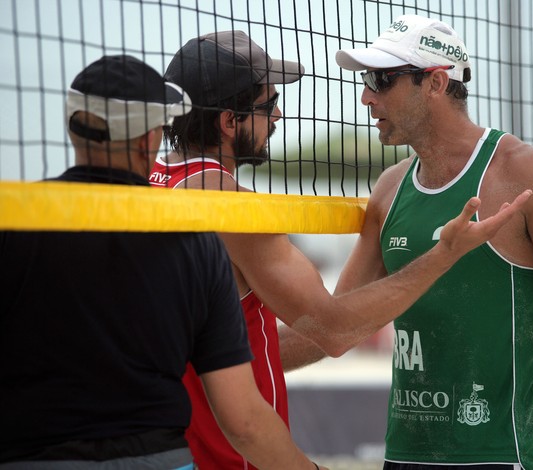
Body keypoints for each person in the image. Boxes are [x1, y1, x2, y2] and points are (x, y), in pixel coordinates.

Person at [150, 30, 533, 469]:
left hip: (166, 449)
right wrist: (442, 256)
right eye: (266, 104)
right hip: (225, 456)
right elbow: (331, 329)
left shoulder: (149, 186)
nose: (277, 114)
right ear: (228, 122)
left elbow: (253, 348)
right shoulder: (227, 204)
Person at [0, 55, 327, 470]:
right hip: (157, 456)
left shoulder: (15, 222)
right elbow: (246, 416)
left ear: (72, 127)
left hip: (33, 455)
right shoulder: (196, 237)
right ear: (146, 138)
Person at [333, 14, 533, 470]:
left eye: (381, 80)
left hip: (500, 455)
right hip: (406, 453)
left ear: (435, 83)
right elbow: (335, 326)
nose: (366, 95)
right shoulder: (389, 189)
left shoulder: (526, 173)